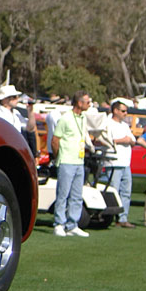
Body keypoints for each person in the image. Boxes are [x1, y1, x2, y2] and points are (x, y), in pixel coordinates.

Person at [51, 90, 93, 238]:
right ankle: (59, 224)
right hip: (66, 161)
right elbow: (55, 140)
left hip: (79, 161)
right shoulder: (66, 118)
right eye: (87, 102)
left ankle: (72, 224)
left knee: (77, 195)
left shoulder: (83, 118)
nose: (89, 104)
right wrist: (59, 157)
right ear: (79, 103)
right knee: (63, 194)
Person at [104, 101, 135, 228]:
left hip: (125, 163)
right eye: (123, 111)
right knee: (113, 191)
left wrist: (128, 140)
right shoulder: (107, 124)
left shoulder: (125, 125)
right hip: (113, 162)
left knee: (126, 192)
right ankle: (109, 217)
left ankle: (123, 218)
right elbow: (105, 141)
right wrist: (123, 140)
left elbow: (133, 140)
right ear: (115, 111)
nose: (125, 113)